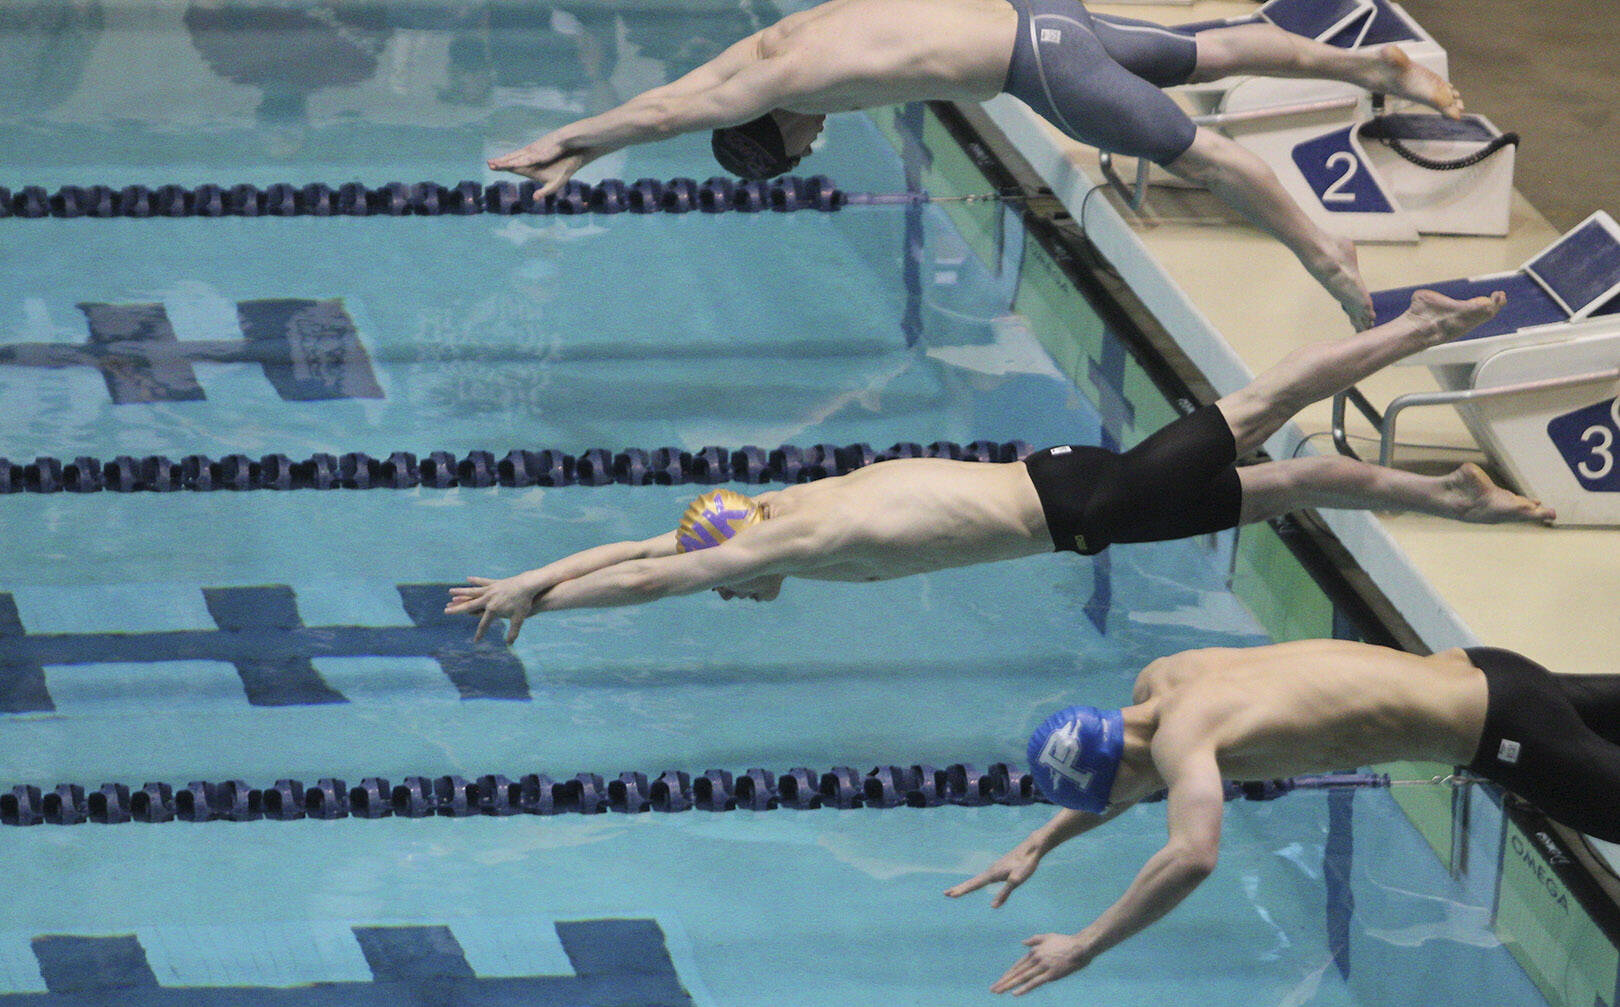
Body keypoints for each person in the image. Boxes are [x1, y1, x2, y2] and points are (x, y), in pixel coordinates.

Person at [446, 290, 1550, 643]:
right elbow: (642, 545)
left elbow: (649, 575)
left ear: (736, 544)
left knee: (1265, 407)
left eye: (727, 575)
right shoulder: (784, 509)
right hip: (1071, 496)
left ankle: (1416, 329)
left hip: (1088, 499)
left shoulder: (793, 536)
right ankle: (1450, 496)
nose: (737, 590)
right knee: (1291, 487)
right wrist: (526, 582)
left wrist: (549, 606)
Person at [485, 0, 1467, 330]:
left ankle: (1328, 253)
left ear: (771, 133)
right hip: (1039, 13)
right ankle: (1374, 66)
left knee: (1204, 155)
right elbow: (672, 94)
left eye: (794, 150)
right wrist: (581, 149)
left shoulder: (759, 93)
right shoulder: (763, 49)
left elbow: (664, 112)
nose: (814, 145)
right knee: (1209, 48)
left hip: (1040, 63)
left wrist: (565, 143)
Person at [944, 640, 1620, 994]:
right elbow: (1134, 776)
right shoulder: (1163, 680)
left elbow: (1193, 856)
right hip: (1495, 672)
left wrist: (1084, 943)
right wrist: (1042, 839)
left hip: (1503, 730)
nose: (1119, 804)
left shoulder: (1183, 741)